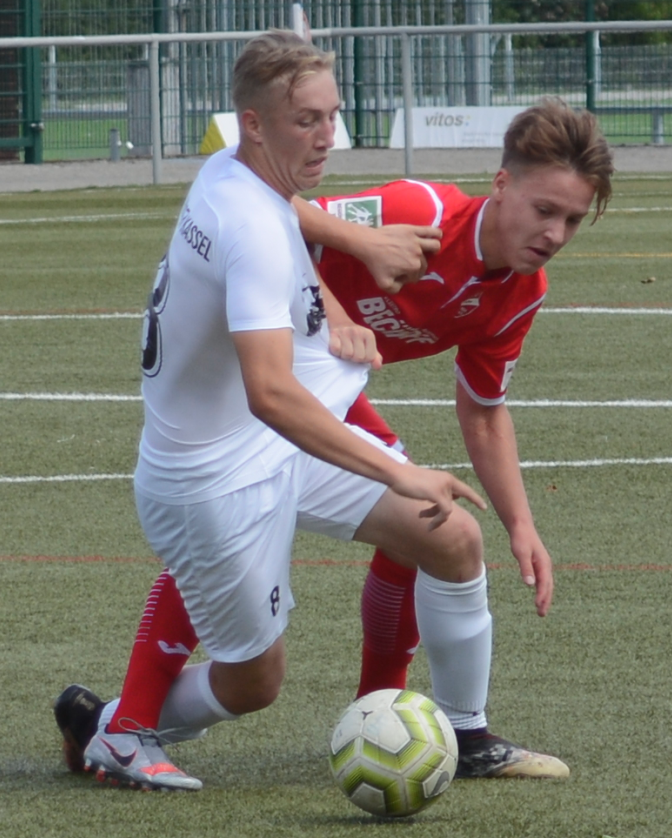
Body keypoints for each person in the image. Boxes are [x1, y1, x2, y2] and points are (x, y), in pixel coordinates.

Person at [55, 95, 613, 788]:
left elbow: (483, 410)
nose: (555, 233)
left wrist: (522, 525)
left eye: (572, 219)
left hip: (325, 401)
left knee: (446, 533)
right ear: (502, 184)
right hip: (252, 392)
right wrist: (337, 306)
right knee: (223, 540)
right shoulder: (421, 210)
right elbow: (273, 210)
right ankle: (129, 722)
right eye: (544, 209)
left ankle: (431, 726)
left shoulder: (522, 290)